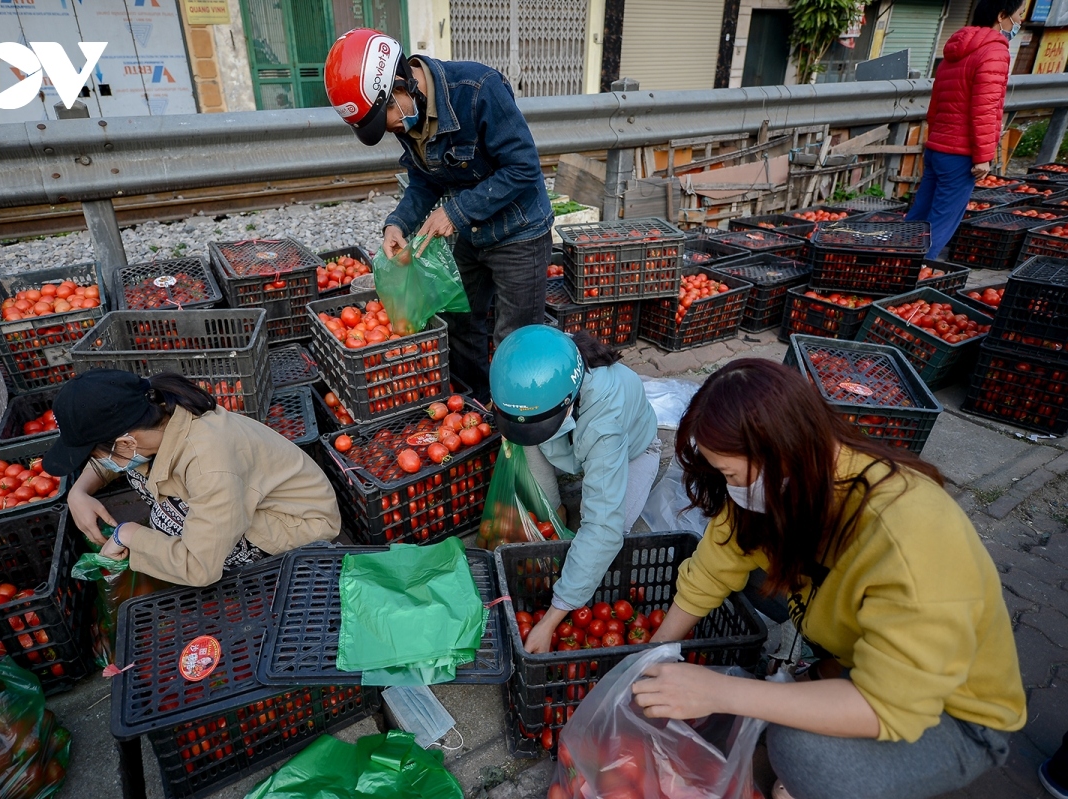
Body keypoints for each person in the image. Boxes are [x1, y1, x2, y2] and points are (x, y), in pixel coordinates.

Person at [630, 360, 1025, 799]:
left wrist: (721, 692)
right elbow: (712, 567)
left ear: (781, 453)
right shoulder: (791, 482)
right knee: (745, 582)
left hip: (950, 715)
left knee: (798, 748)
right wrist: (656, 653)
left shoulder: (909, 538)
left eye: (731, 476)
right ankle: (820, 675)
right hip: (855, 656)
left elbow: (886, 707)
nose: (730, 488)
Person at [324, 28, 553, 401]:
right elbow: (423, 181)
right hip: (473, 232)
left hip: (520, 230)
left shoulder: (478, 90)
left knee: (515, 339)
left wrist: (456, 212)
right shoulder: (404, 113)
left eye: (389, 121)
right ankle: (477, 407)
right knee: (461, 322)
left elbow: (524, 168)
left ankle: (521, 420)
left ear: (402, 85)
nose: (394, 130)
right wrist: (398, 222)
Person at [45, 369, 341, 587]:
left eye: (95, 454)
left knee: (170, 521)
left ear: (125, 443)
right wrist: (79, 492)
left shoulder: (208, 464)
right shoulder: (158, 413)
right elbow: (109, 459)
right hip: (248, 498)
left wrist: (130, 535)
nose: (100, 461)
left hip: (299, 527)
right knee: (163, 509)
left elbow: (199, 568)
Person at [489, 326, 659, 654]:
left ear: (568, 402)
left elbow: (602, 529)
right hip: (570, 438)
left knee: (613, 529)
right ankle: (558, 512)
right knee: (526, 438)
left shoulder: (604, 423)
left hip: (635, 452)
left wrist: (552, 618)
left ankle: (569, 537)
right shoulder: (542, 357)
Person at [906, 0, 1019, 258]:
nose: (1019, 21)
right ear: (1002, 15)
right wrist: (983, 156)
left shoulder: (953, 51)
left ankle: (892, 262)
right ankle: (914, 274)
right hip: (961, 152)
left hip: (938, 148)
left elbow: (935, 106)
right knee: (940, 222)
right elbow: (986, 109)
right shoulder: (993, 52)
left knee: (918, 216)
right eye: (1018, 15)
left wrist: (934, 139)